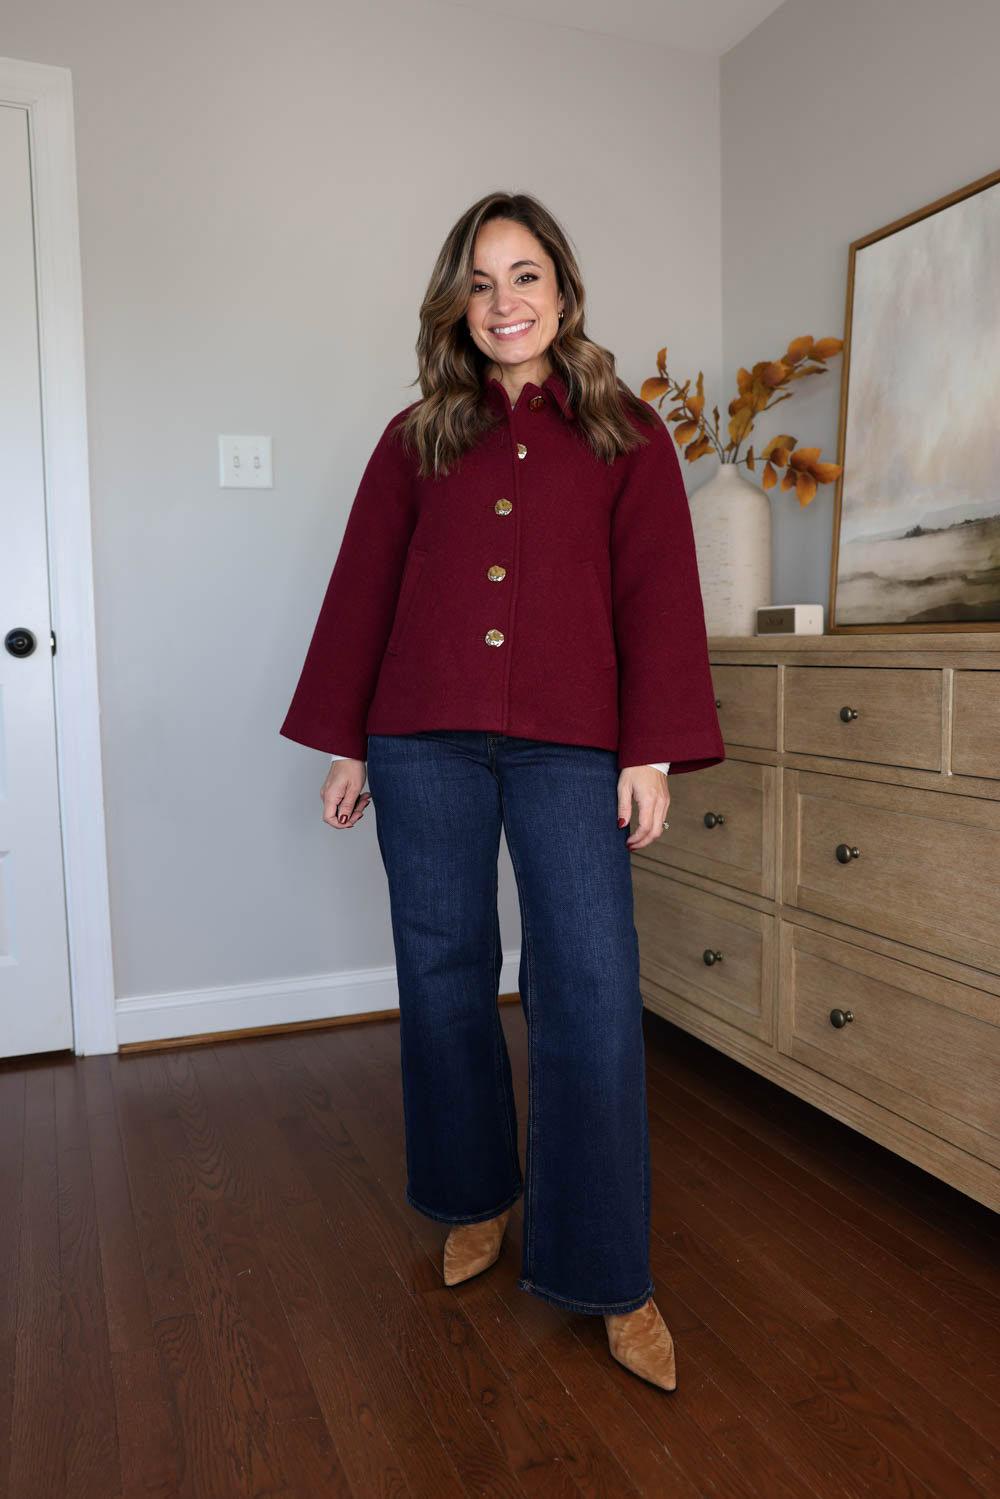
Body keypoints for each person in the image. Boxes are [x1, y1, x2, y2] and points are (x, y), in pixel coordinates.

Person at [280, 191, 725, 1393]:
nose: (505, 301)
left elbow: (658, 596)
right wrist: (346, 740)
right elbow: (364, 588)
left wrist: (651, 749)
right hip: (420, 734)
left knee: (587, 984)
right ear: (456, 306)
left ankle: (608, 1269)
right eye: (480, 283)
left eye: (524, 275)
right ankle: (472, 1198)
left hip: (571, 742)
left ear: (564, 292)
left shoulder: (627, 429)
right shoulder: (414, 432)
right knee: (440, 972)